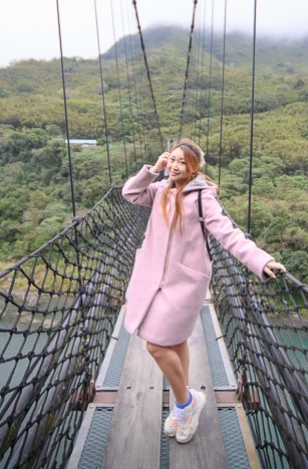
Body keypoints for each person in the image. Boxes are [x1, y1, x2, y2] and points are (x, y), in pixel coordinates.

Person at [121, 138, 285, 444]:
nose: (174, 166)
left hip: (184, 284)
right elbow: (129, 193)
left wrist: (260, 260)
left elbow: (228, 234)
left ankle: (185, 403)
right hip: (152, 277)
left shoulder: (202, 198)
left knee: (155, 346)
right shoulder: (159, 190)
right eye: (173, 160)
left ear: (194, 168)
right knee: (175, 340)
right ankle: (184, 404)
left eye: (182, 162)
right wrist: (153, 169)